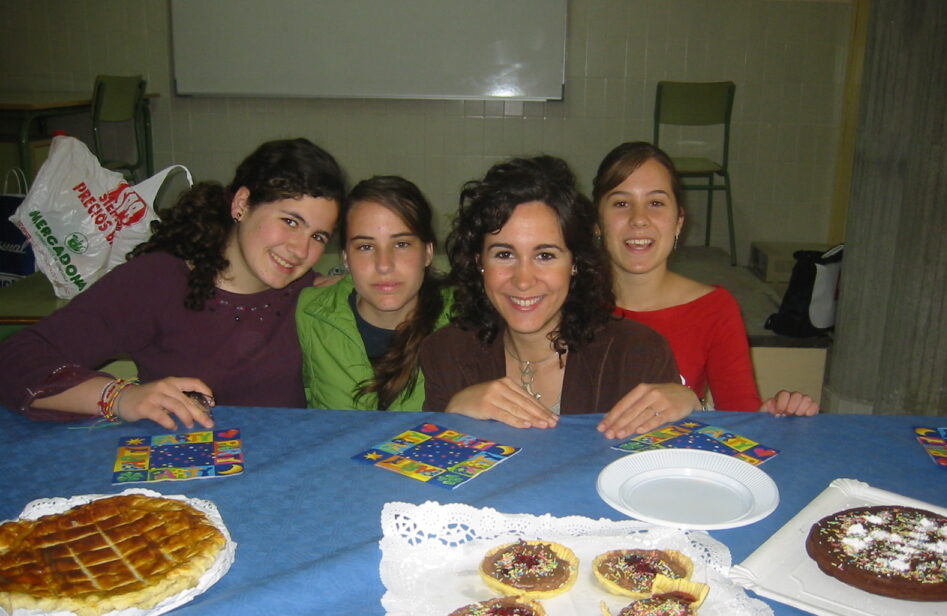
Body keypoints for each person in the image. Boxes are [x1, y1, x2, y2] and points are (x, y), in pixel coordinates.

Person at [0, 138, 345, 429]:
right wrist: (119, 397)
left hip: (289, 476)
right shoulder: (159, 282)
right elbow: (15, 362)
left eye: (318, 236)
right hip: (183, 482)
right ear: (242, 204)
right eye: (289, 221)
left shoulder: (311, 294)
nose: (300, 250)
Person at [420, 155, 700, 438]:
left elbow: (671, 468)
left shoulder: (638, 354)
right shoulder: (447, 353)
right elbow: (425, 473)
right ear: (479, 261)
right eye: (504, 254)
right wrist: (451, 416)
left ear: (575, 262)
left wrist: (695, 411)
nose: (523, 280)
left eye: (545, 255)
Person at [593, 141, 819, 416]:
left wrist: (775, 417)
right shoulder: (568, 303)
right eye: (621, 203)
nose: (639, 219)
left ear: (678, 222)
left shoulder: (714, 309)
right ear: (597, 223)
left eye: (655, 203)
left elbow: (740, 418)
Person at [296, 175, 450, 411]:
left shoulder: (465, 322)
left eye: (401, 244)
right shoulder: (309, 314)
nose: (384, 265)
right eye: (366, 247)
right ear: (346, 257)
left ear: (428, 252)